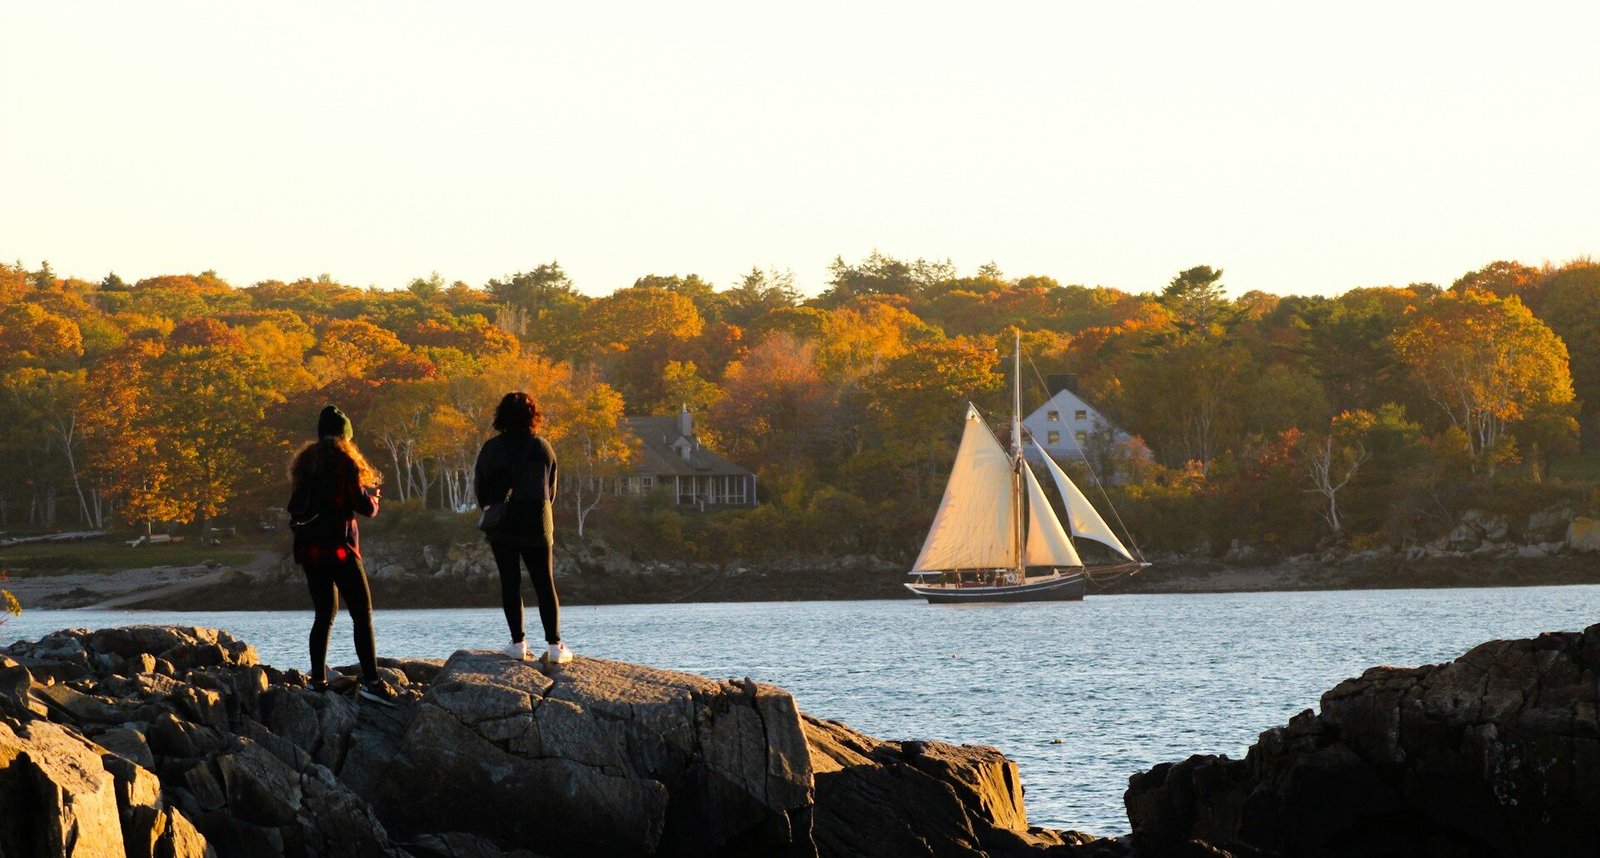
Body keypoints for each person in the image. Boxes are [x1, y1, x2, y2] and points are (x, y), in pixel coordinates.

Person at [287, 405, 399, 705]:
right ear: (345, 436)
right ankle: (373, 684)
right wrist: (372, 499)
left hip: (310, 550)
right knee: (362, 614)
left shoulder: (305, 463)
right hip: (340, 548)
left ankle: (318, 681)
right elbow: (362, 507)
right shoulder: (345, 462)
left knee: (324, 614)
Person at [474, 392, 572, 665]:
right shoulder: (543, 448)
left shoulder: (492, 449)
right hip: (537, 521)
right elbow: (550, 489)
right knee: (544, 582)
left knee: (510, 582)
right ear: (533, 416)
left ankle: (518, 643)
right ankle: (555, 645)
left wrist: (491, 507)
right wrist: (540, 509)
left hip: (503, 521)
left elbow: (480, 488)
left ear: (501, 416)